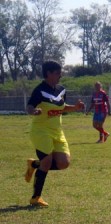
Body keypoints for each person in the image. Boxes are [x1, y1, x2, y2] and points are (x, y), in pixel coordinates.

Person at [24, 60, 85, 206]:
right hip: (41, 131)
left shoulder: (61, 90)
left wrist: (75, 107)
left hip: (57, 131)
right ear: (48, 74)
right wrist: (34, 111)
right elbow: (29, 106)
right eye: (58, 73)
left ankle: (34, 164)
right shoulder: (39, 90)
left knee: (64, 163)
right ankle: (36, 197)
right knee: (47, 162)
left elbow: (62, 107)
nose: (60, 75)